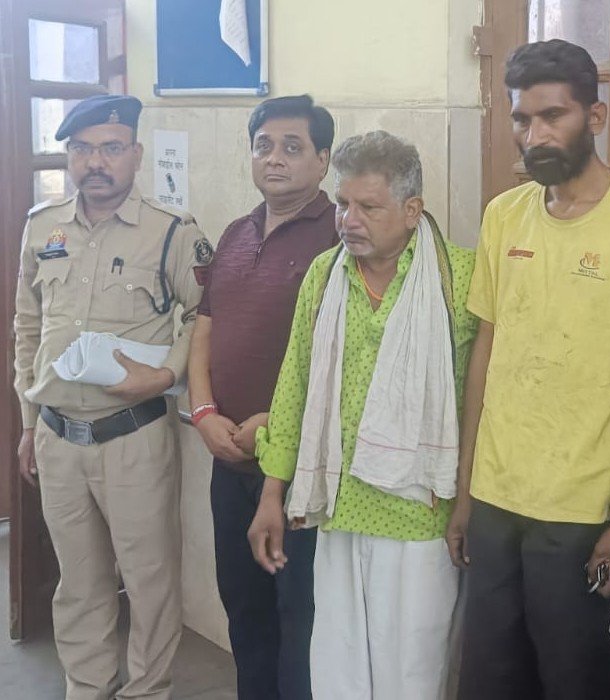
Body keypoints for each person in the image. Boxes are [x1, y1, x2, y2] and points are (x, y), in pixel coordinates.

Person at [446, 39, 610, 699]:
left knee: (574, 683)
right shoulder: (505, 216)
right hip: (497, 502)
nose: (535, 135)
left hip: (586, 513)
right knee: (489, 683)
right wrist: (465, 492)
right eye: (522, 119)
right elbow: (484, 358)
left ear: (595, 116)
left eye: (552, 116)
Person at [247, 130, 478, 699]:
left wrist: (468, 503)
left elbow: (484, 405)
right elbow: (294, 386)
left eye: (368, 207)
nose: (349, 220)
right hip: (339, 508)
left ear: (411, 210)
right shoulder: (326, 275)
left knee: (413, 676)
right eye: (343, 203)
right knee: (338, 673)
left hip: (420, 516)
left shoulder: (460, 281)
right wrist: (272, 494)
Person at [13, 94, 211, 700]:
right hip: (58, 437)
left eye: (110, 148)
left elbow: (205, 315)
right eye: (81, 149)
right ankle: (88, 686)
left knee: (149, 581)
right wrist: (28, 422)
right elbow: (28, 325)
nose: (94, 162)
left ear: (135, 154)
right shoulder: (42, 225)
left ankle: (147, 690)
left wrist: (166, 375)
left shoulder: (172, 232)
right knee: (79, 582)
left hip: (134, 438)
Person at [187, 94, 338, 700]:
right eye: (263, 145)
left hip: (300, 470)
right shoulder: (235, 232)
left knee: (299, 618)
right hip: (228, 461)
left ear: (323, 160)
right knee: (243, 609)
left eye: (292, 147)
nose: (274, 158)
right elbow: (205, 327)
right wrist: (203, 414)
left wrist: (275, 422)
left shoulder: (340, 235)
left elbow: (346, 357)